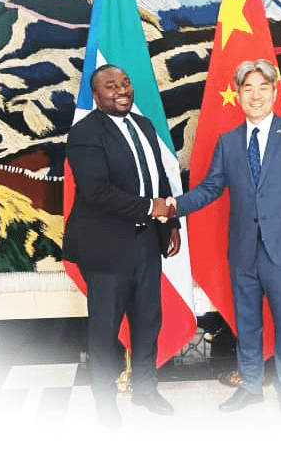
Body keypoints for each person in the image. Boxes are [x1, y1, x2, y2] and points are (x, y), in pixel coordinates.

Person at [167, 59, 281, 417]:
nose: (255, 96)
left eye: (262, 88)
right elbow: (209, 188)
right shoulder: (229, 142)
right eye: (248, 89)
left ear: (274, 92)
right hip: (243, 249)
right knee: (247, 322)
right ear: (238, 95)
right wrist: (173, 206)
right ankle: (251, 386)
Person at [63, 64, 181, 428]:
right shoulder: (85, 132)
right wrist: (150, 208)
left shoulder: (144, 126)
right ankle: (105, 402)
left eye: (125, 83)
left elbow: (159, 178)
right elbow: (96, 191)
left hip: (146, 242)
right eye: (111, 86)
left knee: (147, 322)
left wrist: (170, 224)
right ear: (96, 96)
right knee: (104, 331)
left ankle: (146, 389)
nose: (121, 90)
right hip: (106, 247)